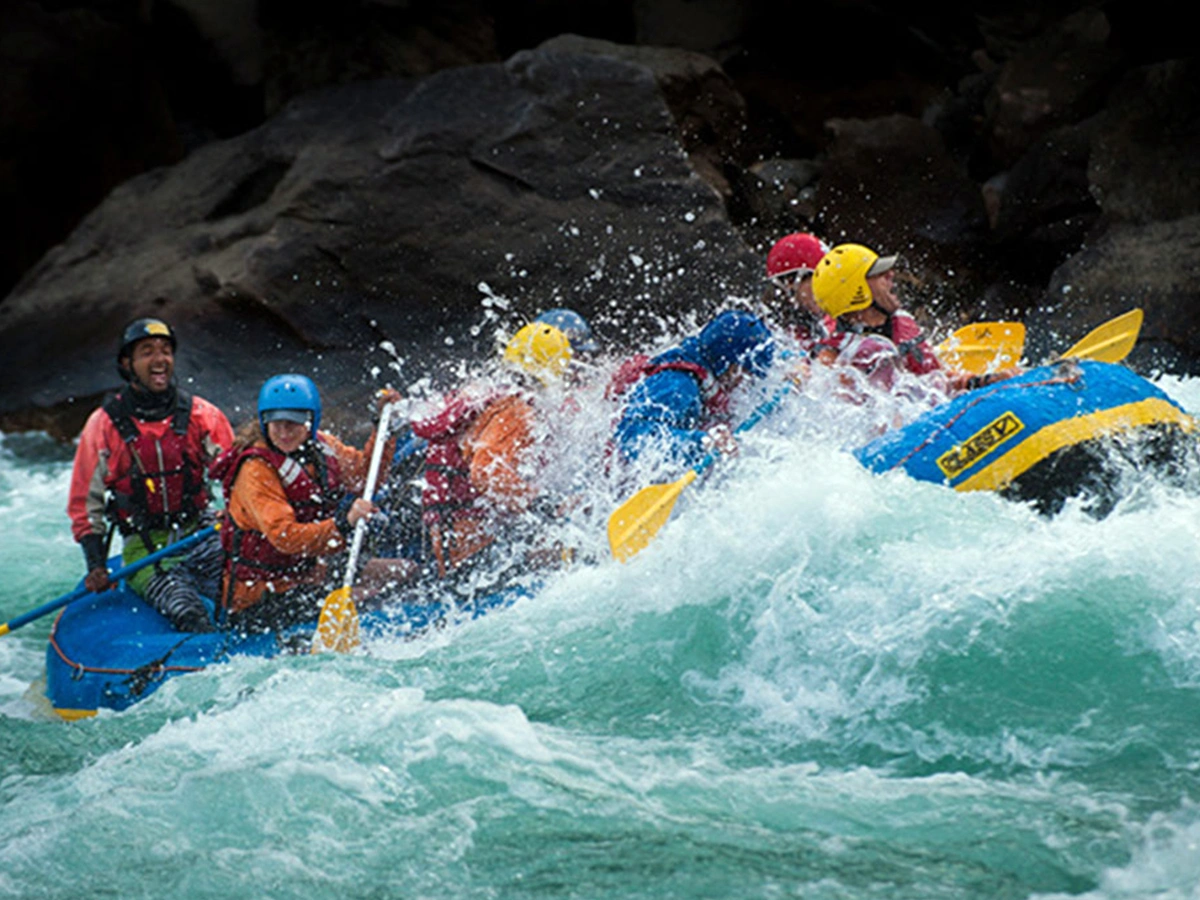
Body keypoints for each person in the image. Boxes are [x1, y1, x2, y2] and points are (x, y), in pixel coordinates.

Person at [67, 317, 233, 632]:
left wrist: (238, 513)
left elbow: (238, 475)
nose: (159, 359)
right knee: (189, 614)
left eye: (166, 350)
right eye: (147, 352)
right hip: (146, 546)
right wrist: (96, 564)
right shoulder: (103, 425)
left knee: (245, 591)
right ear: (127, 364)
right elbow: (85, 503)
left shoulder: (201, 414)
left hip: (202, 530)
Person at [211, 374, 403, 634]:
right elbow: (285, 536)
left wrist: (383, 428)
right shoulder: (255, 469)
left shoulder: (322, 448)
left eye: (293, 424)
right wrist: (344, 523)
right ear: (264, 420)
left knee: (404, 572)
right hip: (258, 597)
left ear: (311, 422)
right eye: (276, 423)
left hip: (306, 574)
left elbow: (365, 478)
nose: (284, 432)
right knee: (373, 597)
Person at [410, 322, 575, 583]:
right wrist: (543, 502)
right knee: (572, 552)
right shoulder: (517, 411)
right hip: (473, 562)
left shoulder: (481, 393)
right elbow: (485, 474)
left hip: (450, 547)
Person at [810, 243, 1016, 398]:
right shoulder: (836, 355)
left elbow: (938, 379)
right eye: (879, 273)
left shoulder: (902, 323)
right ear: (857, 292)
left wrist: (981, 381)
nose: (891, 274)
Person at [610, 310, 776, 469]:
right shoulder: (677, 386)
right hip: (619, 477)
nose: (747, 383)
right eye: (746, 373)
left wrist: (792, 367)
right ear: (728, 365)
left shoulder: (708, 363)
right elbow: (632, 437)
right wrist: (701, 442)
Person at [763, 232, 837, 353]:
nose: (828, 291)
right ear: (790, 282)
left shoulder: (833, 323)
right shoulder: (766, 336)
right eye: (821, 282)